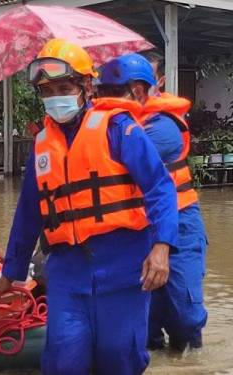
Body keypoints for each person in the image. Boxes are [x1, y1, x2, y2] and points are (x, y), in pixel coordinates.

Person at [0, 39, 179, 374]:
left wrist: (162, 247)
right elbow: (29, 213)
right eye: (46, 91)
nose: (54, 97)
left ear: (86, 86)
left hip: (123, 268)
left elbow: (159, 188)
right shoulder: (41, 145)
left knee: (121, 359)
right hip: (67, 272)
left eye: (63, 87)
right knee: (64, 361)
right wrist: (11, 272)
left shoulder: (119, 128)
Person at [99, 53, 208, 351]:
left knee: (184, 316)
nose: (103, 99)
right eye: (101, 92)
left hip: (179, 222)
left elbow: (114, 158)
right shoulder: (110, 126)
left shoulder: (163, 127)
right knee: (144, 324)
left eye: (109, 92)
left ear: (137, 90)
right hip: (135, 228)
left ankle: (192, 363)